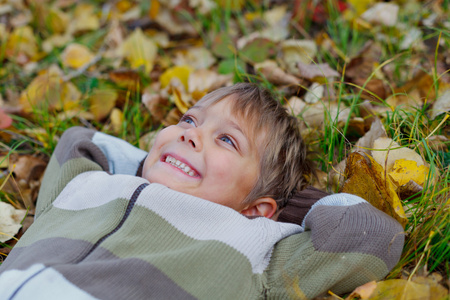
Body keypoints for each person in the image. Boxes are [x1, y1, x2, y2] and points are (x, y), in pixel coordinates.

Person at [0, 83, 404, 299]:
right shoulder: (87, 186)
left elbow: (372, 235)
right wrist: (147, 168)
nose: (189, 135)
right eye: (189, 119)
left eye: (227, 140)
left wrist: (283, 207)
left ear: (257, 208)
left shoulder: (258, 246)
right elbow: (80, 139)